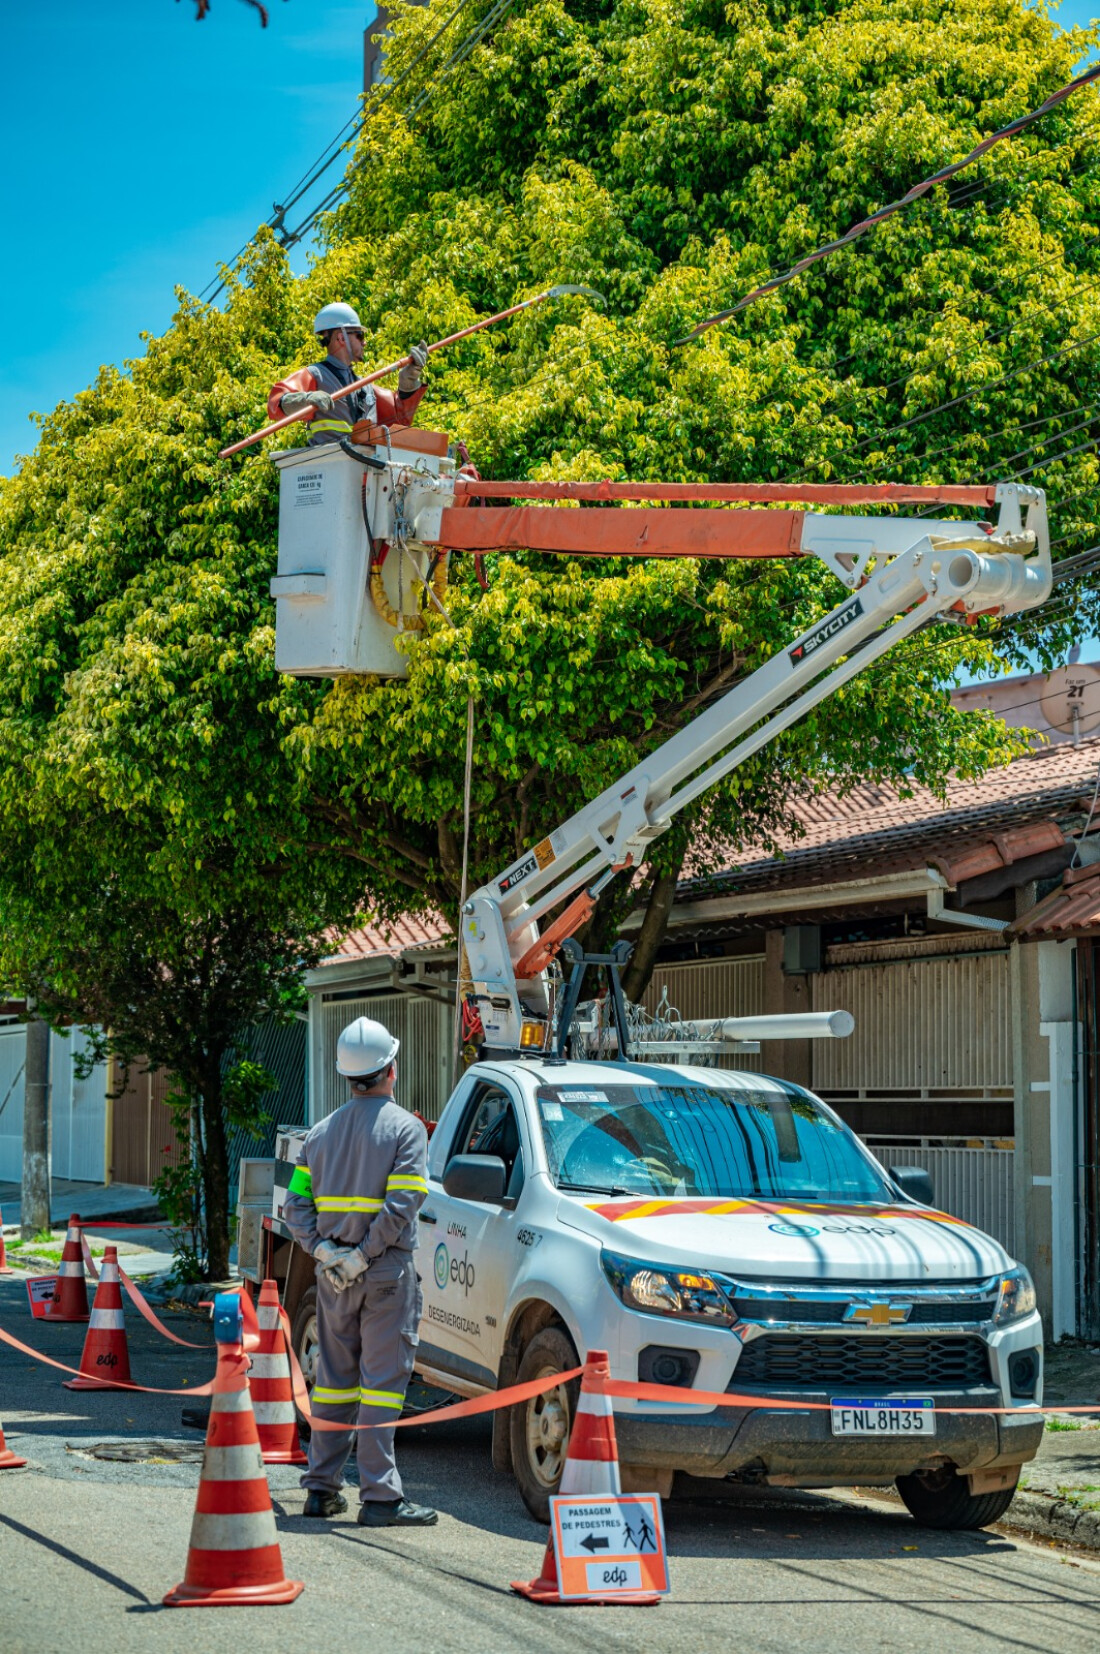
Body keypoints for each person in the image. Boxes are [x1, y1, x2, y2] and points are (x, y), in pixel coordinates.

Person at [282, 1014, 436, 1527]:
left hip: (334, 1277)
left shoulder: (320, 1134)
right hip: (384, 1273)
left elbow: (295, 1208)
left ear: (348, 1076)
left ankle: (321, 1489)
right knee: (382, 1385)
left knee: (333, 1381)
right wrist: (364, 1255)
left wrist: (326, 1253)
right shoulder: (406, 1130)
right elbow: (403, 1205)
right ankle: (381, 1499)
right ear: (391, 1069)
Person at [268, 303, 429, 447]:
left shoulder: (364, 386)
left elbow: (399, 420)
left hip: (368, 466)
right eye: (360, 336)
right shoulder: (316, 375)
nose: (364, 342)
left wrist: (408, 383)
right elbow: (278, 401)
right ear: (341, 337)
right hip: (331, 466)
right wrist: (305, 399)